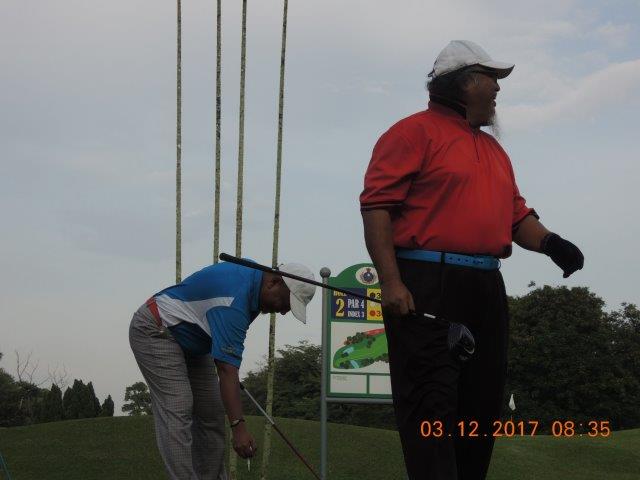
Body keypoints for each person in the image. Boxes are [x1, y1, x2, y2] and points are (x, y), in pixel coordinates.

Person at [359, 40, 584, 480]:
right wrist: (391, 281)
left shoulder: (494, 150)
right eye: (491, 78)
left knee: (481, 407)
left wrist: (552, 243)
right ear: (463, 83)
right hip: (427, 282)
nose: (498, 89)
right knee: (431, 404)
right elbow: (377, 207)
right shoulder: (411, 133)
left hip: (486, 287)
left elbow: (516, 215)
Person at [129, 259, 316, 480]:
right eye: (285, 302)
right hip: (157, 329)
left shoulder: (256, 283)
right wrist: (239, 427)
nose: (283, 312)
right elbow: (226, 370)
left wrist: (227, 364)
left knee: (211, 413)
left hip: (195, 341)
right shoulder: (234, 299)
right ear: (274, 283)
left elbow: (226, 362)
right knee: (179, 405)